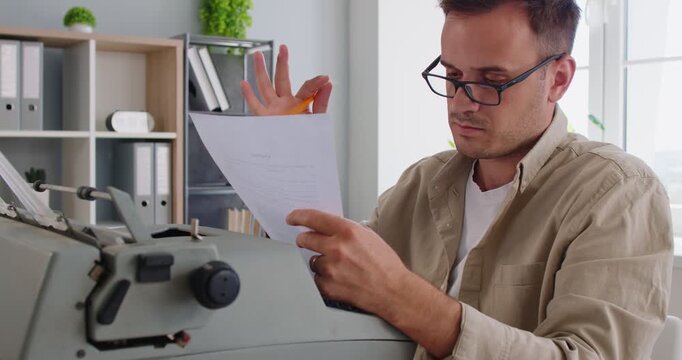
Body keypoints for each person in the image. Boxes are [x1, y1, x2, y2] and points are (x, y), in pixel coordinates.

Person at [240, 0, 673, 358]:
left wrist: (401, 296)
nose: (462, 103)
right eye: (452, 76)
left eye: (491, 81)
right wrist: (287, 159)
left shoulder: (619, 192)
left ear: (557, 78)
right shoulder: (421, 183)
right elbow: (329, 289)